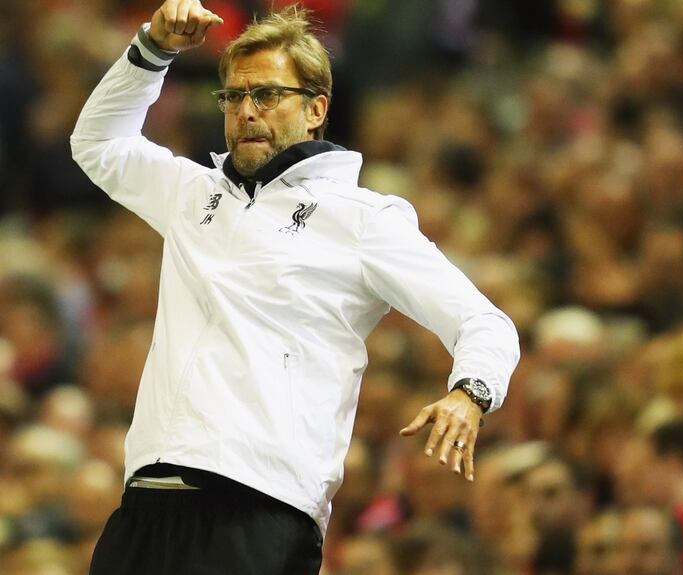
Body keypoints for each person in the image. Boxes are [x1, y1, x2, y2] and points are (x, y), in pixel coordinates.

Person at [70, 1, 520, 573]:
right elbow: (98, 146)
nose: (246, 111)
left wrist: (470, 393)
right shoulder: (192, 194)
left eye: (266, 95)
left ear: (316, 109)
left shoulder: (364, 218)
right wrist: (151, 51)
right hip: (146, 501)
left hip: (260, 510)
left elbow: (484, 323)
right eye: (233, 97)